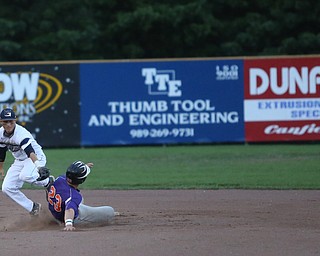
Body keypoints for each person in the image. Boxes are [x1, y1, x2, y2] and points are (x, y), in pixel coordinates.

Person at [0, 108, 53, 216]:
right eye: (6, 121)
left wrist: (38, 166)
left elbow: (30, 151)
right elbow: (1, 151)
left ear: (15, 120)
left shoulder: (21, 134)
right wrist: (1, 168)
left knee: (25, 176)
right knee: (7, 187)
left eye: (11, 121)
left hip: (35, 157)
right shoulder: (0, 133)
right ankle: (33, 207)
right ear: (1, 122)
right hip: (19, 160)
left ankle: (48, 182)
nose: (9, 124)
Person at [47, 160, 116, 231]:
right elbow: (69, 209)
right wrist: (69, 224)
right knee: (109, 211)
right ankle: (65, 221)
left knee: (76, 200)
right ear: (82, 180)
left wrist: (84, 167)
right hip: (71, 217)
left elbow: (72, 175)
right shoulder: (73, 196)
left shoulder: (60, 178)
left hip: (55, 211)